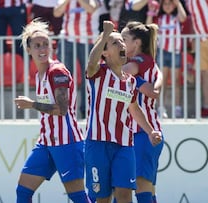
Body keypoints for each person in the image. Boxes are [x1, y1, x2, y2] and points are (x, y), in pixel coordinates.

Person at [84, 20, 162, 203]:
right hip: (97, 143)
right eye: (115, 42)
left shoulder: (130, 81)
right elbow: (91, 62)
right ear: (105, 52)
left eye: (122, 41)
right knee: (103, 198)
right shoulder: (98, 73)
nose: (121, 45)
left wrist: (150, 131)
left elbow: (134, 108)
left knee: (125, 194)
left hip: (124, 145)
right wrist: (104, 35)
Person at [14, 19, 90, 203]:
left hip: (67, 142)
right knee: (23, 191)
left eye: (46, 44)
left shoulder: (57, 72)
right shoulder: (39, 74)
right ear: (28, 50)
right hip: (46, 142)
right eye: (37, 45)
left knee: (77, 196)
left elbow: (61, 110)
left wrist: (32, 104)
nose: (42, 49)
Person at [121, 21, 165, 203]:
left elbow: (118, 73)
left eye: (124, 39)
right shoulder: (149, 63)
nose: (121, 43)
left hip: (144, 133)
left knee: (140, 189)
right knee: (141, 190)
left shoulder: (139, 61)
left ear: (137, 43)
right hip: (139, 132)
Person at [53, 0, 98, 119]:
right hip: (67, 39)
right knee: (63, 76)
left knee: (88, 77)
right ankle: (64, 110)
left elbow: (91, 8)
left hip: (87, 40)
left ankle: (85, 111)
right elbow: (56, 13)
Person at [146, 0, 187, 118]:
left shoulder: (176, 17)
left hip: (176, 52)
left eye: (170, 3)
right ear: (162, 5)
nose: (168, 6)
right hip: (162, 52)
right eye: (165, 4)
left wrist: (178, 3)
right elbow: (148, 26)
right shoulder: (159, 18)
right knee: (161, 81)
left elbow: (183, 18)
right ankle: (161, 107)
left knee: (176, 81)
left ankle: (177, 108)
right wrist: (151, 11)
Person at [187, 0, 208, 118]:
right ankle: (206, 106)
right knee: (205, 75)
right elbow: (194, 19)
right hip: (201, 39)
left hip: (202, 39)